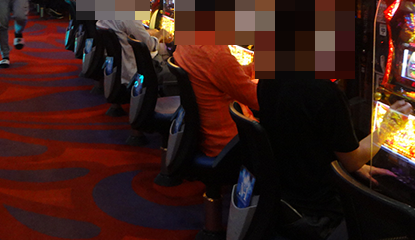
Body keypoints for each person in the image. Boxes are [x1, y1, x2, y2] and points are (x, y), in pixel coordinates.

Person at [258, 75, 413, 239]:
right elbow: (352, 162)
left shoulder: (270, 74)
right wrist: (387, 127)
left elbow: (304, 135)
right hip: (317, 207)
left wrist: (349, 159)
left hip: (282, 193)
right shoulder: (324, 92)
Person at [172, 44, 258, 158]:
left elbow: (227, 74)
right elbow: (259, 100)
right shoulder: (217, 55)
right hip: (228, 143)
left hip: (203, 136)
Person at [96, 20, 174, 89]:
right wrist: (160, 35)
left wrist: (149, 33)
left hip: (115, 67)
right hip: (134, 70)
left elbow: (126, 30)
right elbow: (150, 45)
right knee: (174, 72)